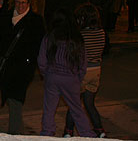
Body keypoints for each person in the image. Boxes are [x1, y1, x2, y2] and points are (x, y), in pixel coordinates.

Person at [38, 8, 95, 137]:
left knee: (49, 109)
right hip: (71, 77)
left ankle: (47, 133)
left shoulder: (50, 37)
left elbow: (41, 60)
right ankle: (87, 134)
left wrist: (46, 74)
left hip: (52, 75)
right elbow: (83, 63)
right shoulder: (76, 38)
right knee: (76, 109)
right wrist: (78, 78)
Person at [0, 0, 45, 135]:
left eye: (24, 3)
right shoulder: (6, 16)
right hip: (8, 65)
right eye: (18, 2)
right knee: (12, 99)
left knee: (15, 99)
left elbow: (39, 44)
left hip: (23, 67)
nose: (20, 6)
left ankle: (14, 133)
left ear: (29, 3)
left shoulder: (35, 20)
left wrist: (33, 62)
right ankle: (17, 130)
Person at [64, 3, 106, 138]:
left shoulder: (81, 35)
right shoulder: (101, 33)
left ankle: (68, 131)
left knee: (74, 104)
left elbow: (74, 54)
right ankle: (100, 130)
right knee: (89, 104)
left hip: (83, 71)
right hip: (96, 71)